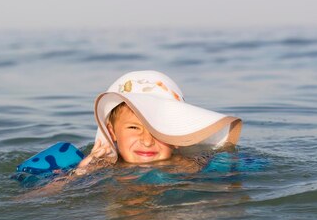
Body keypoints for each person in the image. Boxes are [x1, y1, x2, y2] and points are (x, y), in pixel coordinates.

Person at [73, 70, 242, 175]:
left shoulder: (189, 166)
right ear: (111, 132)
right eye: (134, 127)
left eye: (158, 130)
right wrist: (80, 173)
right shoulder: (100, 168)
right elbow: (49, 194)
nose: (147, 141)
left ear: (178, 135)